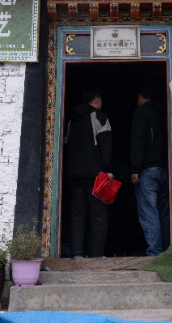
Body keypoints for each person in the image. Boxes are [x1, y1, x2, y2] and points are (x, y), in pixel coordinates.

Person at [65, 90, 113, 258]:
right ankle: (96, 255)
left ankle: (77, 253)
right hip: (95, 175)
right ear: (97, 99)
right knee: (98, 215)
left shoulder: (72, 120)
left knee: (77, 215)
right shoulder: (99, 117)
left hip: (75, 175)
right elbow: (105, 145)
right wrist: (108, 169)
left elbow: (66, 144)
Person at [130, 90, 170, 256]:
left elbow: (138, 141)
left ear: (140, 97)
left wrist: (135, 169)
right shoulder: (165, 113)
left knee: (149, 212)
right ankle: (167, 251)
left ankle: (155, 252)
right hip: (166, 170)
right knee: (164, 212)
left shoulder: (141, 113)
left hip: (148, 171)